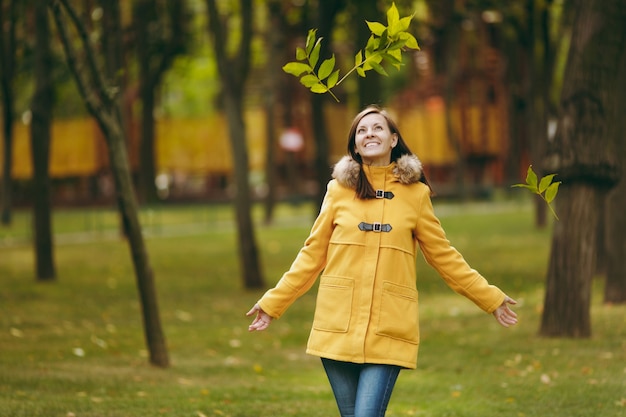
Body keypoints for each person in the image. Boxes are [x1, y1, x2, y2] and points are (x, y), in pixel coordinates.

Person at [246, 105, 518, 417]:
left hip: (389, 326)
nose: (369, 134)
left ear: (393, 140)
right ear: (355, 146)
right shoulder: (337, 191)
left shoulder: (415, 194)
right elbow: (311, 254)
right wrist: (273, 303)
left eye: (377, 128)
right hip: (337, 323)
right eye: (361, 131)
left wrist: (490, 297)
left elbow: (444, 257)